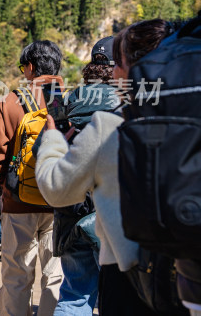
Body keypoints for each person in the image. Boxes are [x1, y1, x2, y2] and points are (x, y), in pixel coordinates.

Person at [35, 19, 174, 315]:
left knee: (74, 296)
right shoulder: (141, 103)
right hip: (130, 230)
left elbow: (55, 179)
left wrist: (53, 136)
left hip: (73, 214)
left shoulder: (72, 101)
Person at [0, 40, 65, 316]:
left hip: (18, 204)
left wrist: (10, 185)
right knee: (55, 275)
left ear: (30, 67)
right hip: (59, 203)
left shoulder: (9, 103)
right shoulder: (69, 101)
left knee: (17, 276)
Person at [50, 36, 118, 315]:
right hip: (109, 212)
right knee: (119, 295)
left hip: (70, 208)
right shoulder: (125, 99)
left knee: (74, 294)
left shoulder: (70, 100)